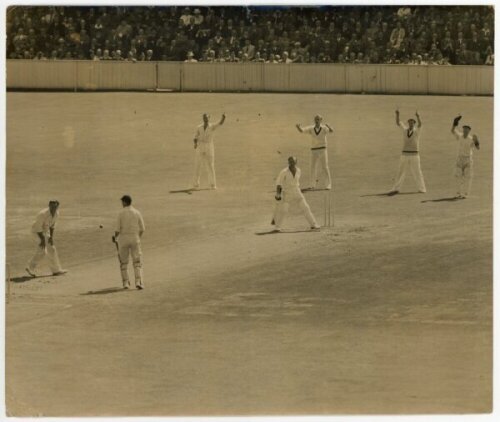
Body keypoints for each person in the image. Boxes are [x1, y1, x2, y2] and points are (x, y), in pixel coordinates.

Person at [271, 156, 320, 232]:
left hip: (297, 191)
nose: (291, 163)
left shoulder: (299, 171)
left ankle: (313, 225)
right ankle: (277, 227)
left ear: (296, 162)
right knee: (284, 210)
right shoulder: (284, 172)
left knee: (306, 207)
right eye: (290, 162)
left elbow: (296, 183)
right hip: (287, 193)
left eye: (293, 162)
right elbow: (279, 184)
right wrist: (278, 194)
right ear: (288, 162)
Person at [388, 109, 427, 195]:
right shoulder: (405, 130)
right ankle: (396, 188)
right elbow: (398, 123)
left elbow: (421, 124)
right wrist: (397, 114)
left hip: (415, 155)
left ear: (414, 123)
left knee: (417, 171)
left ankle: (422, 188)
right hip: (404, 154)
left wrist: (418, 116)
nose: (410, 124)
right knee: (401, 171)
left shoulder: (417, 131)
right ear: (408, 123)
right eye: (409, 122)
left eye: (412, 122)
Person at [26, 200, 68, 277]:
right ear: (49, 205)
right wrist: (42, 240)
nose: (53, 208)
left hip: (45, 232)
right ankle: (30, 268)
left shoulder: (56, 214)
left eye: (55, 206)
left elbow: (52, 226)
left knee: (52, 249)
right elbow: (38, 228)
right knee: (42, 250)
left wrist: (51, 237)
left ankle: (56, 270)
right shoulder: (42, 214)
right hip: (36, 232)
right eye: (51, 206)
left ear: (57, 206)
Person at [114, 195, 145, 289]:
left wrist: (115, 237)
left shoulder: (120, 213)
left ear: (124, 202)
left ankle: (126, 283)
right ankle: (138, 282)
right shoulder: (137, 212)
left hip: (123, 239)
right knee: (137, 261)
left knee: (123, 262)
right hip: (135, 238)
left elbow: (117, 230)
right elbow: (142, 229)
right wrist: (137, 238)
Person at [295, 115, 333, 190]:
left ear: (321, 120)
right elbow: (302, 130)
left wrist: (329, 126)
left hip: (322, 149)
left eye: (318, 119)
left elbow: (331, 131)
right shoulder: (311, 128)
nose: (316, 121)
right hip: (314, 150)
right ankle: (312, 184)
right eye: (315, 119)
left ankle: (328, 185)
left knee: (325, 167)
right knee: (312, 167)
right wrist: (298, 127)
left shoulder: (324, 128)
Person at [192, 113, 226, 190]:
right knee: (198, 165)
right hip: (200, 146)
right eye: (204, 118)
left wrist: (223, 118)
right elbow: (195, 136)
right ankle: (195, 185)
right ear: (203, 118)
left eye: (206, 118)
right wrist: (195, 143)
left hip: (209, 147)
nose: (205, 119)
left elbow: (220, 123)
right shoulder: (199, 127)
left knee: (210, 165)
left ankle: (213, 185)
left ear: (209, 118)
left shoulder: (212, 126)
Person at [450, 115, 480, 198]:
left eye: (467, 129)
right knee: (457, 175)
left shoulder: (471, 139)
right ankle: (458, 193)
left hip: (468, 159)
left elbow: (478, 148)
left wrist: (477, 141)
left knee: (468, 176)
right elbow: (452, 131)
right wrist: (454, 122)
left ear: (469, 130)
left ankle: (465, 194)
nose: (465, 130)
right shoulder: (459, 136)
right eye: (464, 128)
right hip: (459, 158)